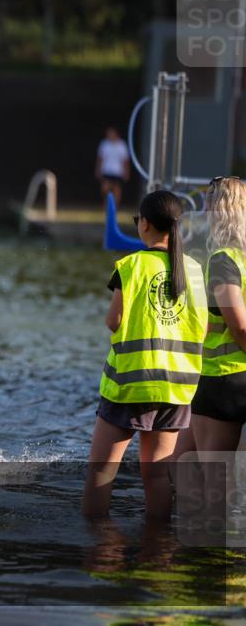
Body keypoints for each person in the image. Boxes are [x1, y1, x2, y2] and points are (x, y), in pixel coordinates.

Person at [82, 190, 208, 519]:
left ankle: (98, 544)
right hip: (176, 388)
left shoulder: (131, 266)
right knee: (156, 475)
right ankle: (158, 545)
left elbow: (114, 321)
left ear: (146, 224)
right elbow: (203, 328)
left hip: (131, 384)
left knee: (101, 471)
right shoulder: (195, 270)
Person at [189, 176, 246, 451]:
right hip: (227, 378)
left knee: (210, 471)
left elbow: (240, 326)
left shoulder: (224, 259)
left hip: (224, 377)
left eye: (208, 205)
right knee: (181, 458)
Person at [96, 127, 130, 208]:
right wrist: (98, 169)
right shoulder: (104, 144)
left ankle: (115, 206)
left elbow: (125, 160)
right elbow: (100, 158)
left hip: (118, 171)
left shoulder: (121, 145)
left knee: (116, 189)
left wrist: (126, 172)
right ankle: (106, 204)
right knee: (105, 188)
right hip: (107, 170)